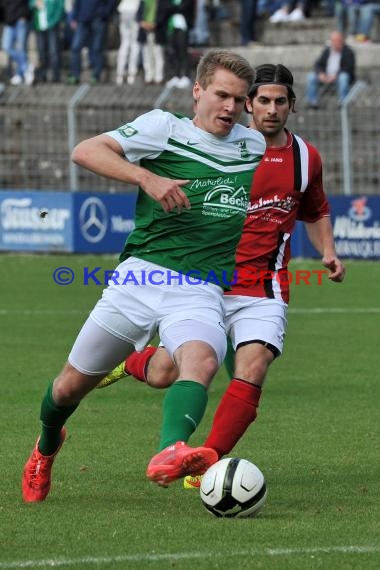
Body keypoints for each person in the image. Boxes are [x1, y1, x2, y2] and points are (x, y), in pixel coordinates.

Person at [21, 49, 266, 502]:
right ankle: (46, 447)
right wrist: (146, 179)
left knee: (202, 362)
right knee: (67, 387)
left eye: (239, 99)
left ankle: (169, 450)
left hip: (200, 285)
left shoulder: (252, 145)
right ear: (197, 92)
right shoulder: (164, 128)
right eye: (221, 95)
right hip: (141, 278)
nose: (230, 107)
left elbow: (289, 153)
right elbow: (85, 150)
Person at [99, 63, 346, 489]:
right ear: (247, 104)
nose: (271, 109)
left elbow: (316, 209)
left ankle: (206, 462)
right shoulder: (224, 148)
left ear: (292, 106)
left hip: (263, 285)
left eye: (280, 101)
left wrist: (328, 251)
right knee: (164, 374)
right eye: (262, 101)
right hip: (204, 280)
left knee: (253, 365)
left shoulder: (306, 157)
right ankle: (133, 362)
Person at [66, 0, 119, 84]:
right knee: (75, 47)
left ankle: (96, 75)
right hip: (82, 19)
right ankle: (75, 75)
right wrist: (75, 17)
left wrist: (104, 13)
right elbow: (77, 3)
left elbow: (112, 2)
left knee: (97, 48)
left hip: (98, 20)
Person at [305, 30, 356, 109]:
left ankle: (342, 102)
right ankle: (313, 102)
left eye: (338, 41)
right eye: (334, 41)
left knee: (343, 77)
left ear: (342, 41)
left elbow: (348, 68)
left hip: (338, 77)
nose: (336, 43)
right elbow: (318, 64)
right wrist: (321, 74)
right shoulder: (327, 51)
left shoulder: (348, 52)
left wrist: (335, 76)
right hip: (326, 76)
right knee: (311, 76)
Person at [29, 0, 65, 83]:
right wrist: (35, 3)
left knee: (54, 51)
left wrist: (54, 21)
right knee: (41, 52)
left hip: (52, 26)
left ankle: (56, 76)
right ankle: (43, 75)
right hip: (39, 26)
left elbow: (60, 8)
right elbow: (30, 4)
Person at [1, 0, 34, 85]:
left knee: (21, 48)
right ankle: (26, 66)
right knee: (6, 46)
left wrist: (24, 15)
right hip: (9, 21)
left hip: (21, 19)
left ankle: (20, 75)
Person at [115, 0, 141, 85]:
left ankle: (120, 73)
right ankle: (131, 73)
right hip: (134, 10)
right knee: (134, 44)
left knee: (124, 43)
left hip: (123, 10)